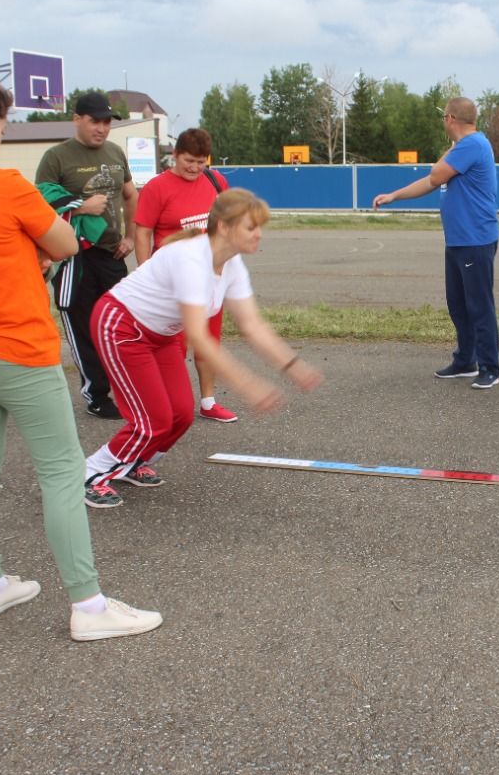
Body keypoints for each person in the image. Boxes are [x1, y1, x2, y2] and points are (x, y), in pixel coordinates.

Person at [0, 55, 161, 641]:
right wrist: (32, 246)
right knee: (64, 475)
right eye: (2, 126)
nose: (0, 139)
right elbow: (66, 241)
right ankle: (88, 606)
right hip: (17, 348)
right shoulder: (4, 184)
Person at [83, 188, 323, 508]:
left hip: (161, 335)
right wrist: (247, 385)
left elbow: (252, 326)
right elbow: (198, 336)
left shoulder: (232, 264)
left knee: (181, 415)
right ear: (224, 226)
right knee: (152, 420)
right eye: (251, 227)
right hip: (121, 326)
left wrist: (294, 367)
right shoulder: (191, 258)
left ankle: (132, 462)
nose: (259, 235)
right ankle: (88, 475)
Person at [372, 97, 499, 389]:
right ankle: (465, 360)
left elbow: (435, 174)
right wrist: (394, 196)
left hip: (475, 240)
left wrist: (452, 145)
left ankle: (490, 367)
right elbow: (431, 182)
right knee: (458, 305)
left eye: (445, 118)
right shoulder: (463, 148)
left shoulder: (472, 145)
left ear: (450, 119)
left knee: (479, 306)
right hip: (459, 240)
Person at [35, 92, 138, 420]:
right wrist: (80, 205)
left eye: (107, 122)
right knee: (83, 327)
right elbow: (40, 205)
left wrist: (131, 236)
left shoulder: (115, 152)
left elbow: (130, 194)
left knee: (118, 325)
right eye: (95, 121)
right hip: (72, 257)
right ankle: (96, 394)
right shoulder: (56, 157)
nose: (102, 128)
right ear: (76, 118)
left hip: (111, 253)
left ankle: (127, 389)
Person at [132, 128, 237, 423]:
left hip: (209, 280)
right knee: (172, 348)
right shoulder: (156, 187)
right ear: (175, 155)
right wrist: (144, 275)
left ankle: (208, 401)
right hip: (172, 284)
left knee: (209, 342)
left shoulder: (216, 182)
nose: (194, 168)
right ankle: (164, 404)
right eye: (189, 161)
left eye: (201, 162)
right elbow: (143, 233)